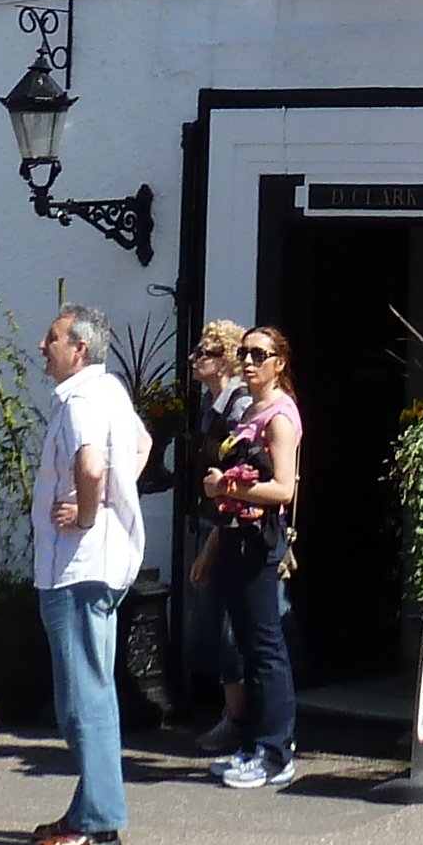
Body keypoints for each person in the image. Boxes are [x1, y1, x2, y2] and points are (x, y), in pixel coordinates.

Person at [27, 303, 152, 845]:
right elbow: (141, 449)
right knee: (89, 692)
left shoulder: (80, 398)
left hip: (76, 567)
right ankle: (88, 807)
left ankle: (99, 821)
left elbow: (94, 465)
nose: (41, 346)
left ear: (78, 349)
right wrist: (108, 500)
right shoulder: (113, 393)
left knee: (83, 699)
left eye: (51, 338)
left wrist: (83, 512)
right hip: (102, 564)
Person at [202, 324, 305, 790]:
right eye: (244, 352)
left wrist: (229, 485)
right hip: (234, 536)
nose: (248, 361)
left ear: (278, 363)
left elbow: (283, 487)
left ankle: (277, 751)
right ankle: (257, 745)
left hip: (260, 538)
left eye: (259, 354)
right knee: (246, 643)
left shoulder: (280, 417)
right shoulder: (251, 411)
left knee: (266, 647)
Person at [180, 320, 255, 755]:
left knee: (234, 628)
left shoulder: (238, 409)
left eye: (204, 353)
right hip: (213, 522)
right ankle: (236, 716)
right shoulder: (212, 407)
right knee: (219, 624)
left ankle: (240, 720)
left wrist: (208, 547)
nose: (194, 360)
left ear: (225, 359)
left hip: (230, 527)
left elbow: (235, 480)